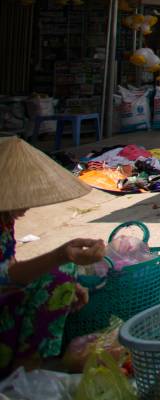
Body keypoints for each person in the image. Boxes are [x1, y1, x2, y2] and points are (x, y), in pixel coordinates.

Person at [0, 138, 106, 376]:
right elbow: (6, 277)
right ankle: (22, 374)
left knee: (62, 277)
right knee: (59, 274)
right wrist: (61, 255)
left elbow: (10, 268)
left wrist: (68, 282)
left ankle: (25, 371)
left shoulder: (4, 221)